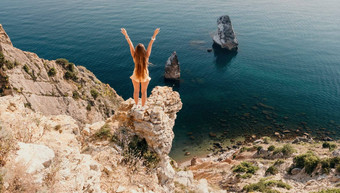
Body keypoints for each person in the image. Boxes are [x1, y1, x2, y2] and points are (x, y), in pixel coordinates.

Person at [121, 27, 160, 108]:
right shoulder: (146, 56)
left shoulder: (134, 55)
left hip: (136, 74)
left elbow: (130, 44)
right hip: (145, 75)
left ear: (136, 50)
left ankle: (136, 106)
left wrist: (126, 34)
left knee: (136, 91)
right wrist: (154, 34)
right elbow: (150, 44)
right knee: (144, 92)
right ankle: (142, 107)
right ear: (144, 50)